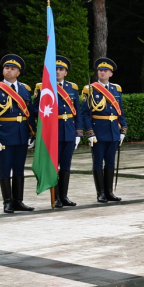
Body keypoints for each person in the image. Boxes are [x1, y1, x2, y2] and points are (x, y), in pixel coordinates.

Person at [0, 55, 34, 213]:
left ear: (18, 72)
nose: (9, 71)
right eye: (7, 68)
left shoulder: (25, 89)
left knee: (19, 169)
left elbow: (30, 114)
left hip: (21, 135)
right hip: (4, 135)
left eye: (13, 69)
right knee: (5, 169)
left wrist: (33, 134)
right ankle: (7, 202)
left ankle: (18, 201)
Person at [33, 56, 82, 207]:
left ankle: (64, 196)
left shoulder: (72, 88)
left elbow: (78, 112)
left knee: (66, 165)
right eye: (55, 69)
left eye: (61, 69)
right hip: (53, 132)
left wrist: (78, 133)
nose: (58, 72)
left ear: (66, 72)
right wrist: (46, 112)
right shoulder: (43, 87)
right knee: (54, 165)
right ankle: (56, 198)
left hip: (69, 131)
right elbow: (34, 109)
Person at [82, 57, 126, 203]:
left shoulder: (116, 89)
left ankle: (109, 192)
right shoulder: (90, 89)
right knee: (97, 163)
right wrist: (89, 132)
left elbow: (121, 111)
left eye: (105, 71)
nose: (102, 72)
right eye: (100, 70)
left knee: (110, 163)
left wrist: (123, 130)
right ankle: (100, 193)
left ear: (111, 74)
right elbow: (86, 113)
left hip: (113, 130)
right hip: (98, 131)